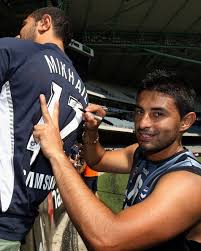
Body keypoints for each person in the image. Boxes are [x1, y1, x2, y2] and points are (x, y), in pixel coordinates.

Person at [33, 70, 201, 251]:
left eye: (158, 114)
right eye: (139, 111)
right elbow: (99, 160)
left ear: (186, 121)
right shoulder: (140, 152)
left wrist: (56, 153)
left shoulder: (190, 183)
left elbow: (108, 240)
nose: (142, 123)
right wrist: (91, 131)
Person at [0, 7, 88, 251]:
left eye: (24, 24)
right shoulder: (81, 89)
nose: (20, 31)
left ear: (44, 23)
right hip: (22, 218)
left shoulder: (15, 50)